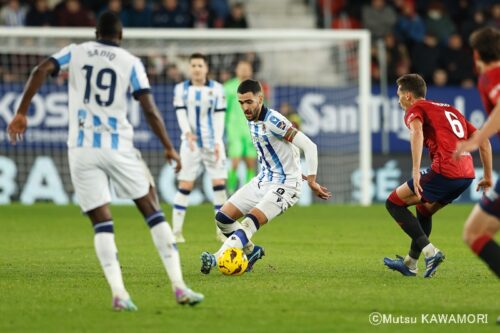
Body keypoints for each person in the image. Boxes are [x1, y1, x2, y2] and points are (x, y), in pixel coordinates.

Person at [7, 12, 203, 311]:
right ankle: (179, 286)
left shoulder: (77, 50)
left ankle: (119, 294)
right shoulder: (130, 62)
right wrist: (168, 146)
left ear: (96, 31)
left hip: (81, 150)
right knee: (151, 209)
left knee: (102, 223)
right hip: (117, 147)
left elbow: (40, 69)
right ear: (120, 35)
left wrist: (21, 112)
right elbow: (149, 108)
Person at [199, 79, 332, 274]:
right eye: (241, 103)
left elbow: (309, 146)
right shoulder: (251, 118)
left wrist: (311, 179)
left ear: (260, 98)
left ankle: (217, 257)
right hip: (264, 180)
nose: (245, 107)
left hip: (286, 185)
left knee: (250, 221)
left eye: (249, 102)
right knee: (223, 218)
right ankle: (251, 252)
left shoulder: (274, 121)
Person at [383, 73, 492, 278]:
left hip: (445, 170)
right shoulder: (451, 110)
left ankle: (430, 252)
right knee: (424, 210)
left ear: (408, 95)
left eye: (399, 95)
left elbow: (416, 132)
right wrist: (487, 175)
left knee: (393, 203)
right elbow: (484, 141)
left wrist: (415, 170)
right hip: (466, 175)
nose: (397, 100)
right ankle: (410, 264)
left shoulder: (416, 109)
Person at [454, 27, 500, 277]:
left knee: (474, 233)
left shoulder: (491, 76)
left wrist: (476, 139)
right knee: (477, 232)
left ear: (476, 55)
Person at [172, 53, 227, 243]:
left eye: (200, 65)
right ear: (189, 68)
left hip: (212, 143)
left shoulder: (218, 89)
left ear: (206, 68)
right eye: (193, 65)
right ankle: (176, 232)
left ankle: (221, 231)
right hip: (191, 144)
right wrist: (187, 132)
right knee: (185, 185)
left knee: (219, 185)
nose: (196, 69)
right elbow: (181, 114)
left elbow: (220, 117)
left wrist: (218, 141)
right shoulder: (181, 89)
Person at [224, 60, 257, 194]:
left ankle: (248, 192)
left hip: (251, 130)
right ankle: (230, 190)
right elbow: (223, 110)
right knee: (235, 161)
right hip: (234, 130)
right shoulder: (228, 87)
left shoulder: (256, 88)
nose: (244, 70)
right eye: (241, 68)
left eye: (246, 68)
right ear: (236, 70)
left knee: (250, 163)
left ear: (251, 70)